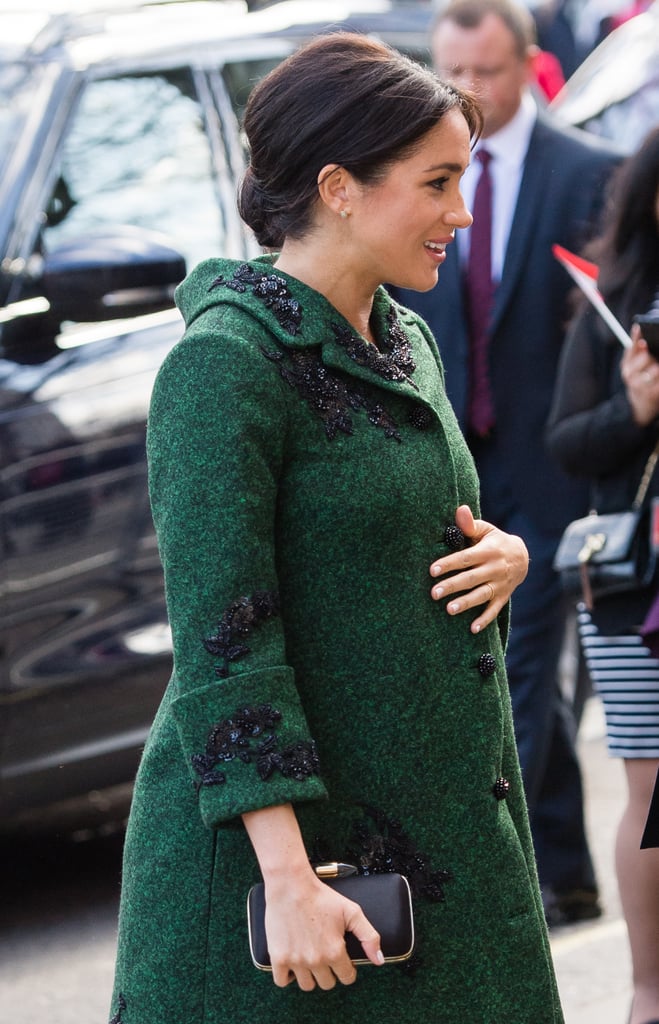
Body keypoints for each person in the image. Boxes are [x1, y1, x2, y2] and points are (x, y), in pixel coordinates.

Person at [108, 31, 564, 1024]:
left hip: (444, 850)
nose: (461, 211)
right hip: (303, 881)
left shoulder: (408, 342)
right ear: (339, 186)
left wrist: (504, 554)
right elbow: (223, 641)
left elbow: (413, 530)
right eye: (437, 182)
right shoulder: (223, 366)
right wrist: (285, 878)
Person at [389, 0, 621, 927]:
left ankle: (543, 877)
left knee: (529, 670)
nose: (469, 92)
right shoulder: (415, 182)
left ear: (527, 65)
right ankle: (558, 872)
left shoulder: (588, 176)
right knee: (521, 674)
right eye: (453, 75)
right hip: (460, 462)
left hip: (557, 458)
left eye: (485, 73)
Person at [546, 125, 659, 1024]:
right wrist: (634, 407)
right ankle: (648, 989)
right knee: (650, 788)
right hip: (634, 587)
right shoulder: (610, 307)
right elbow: (566, 442)